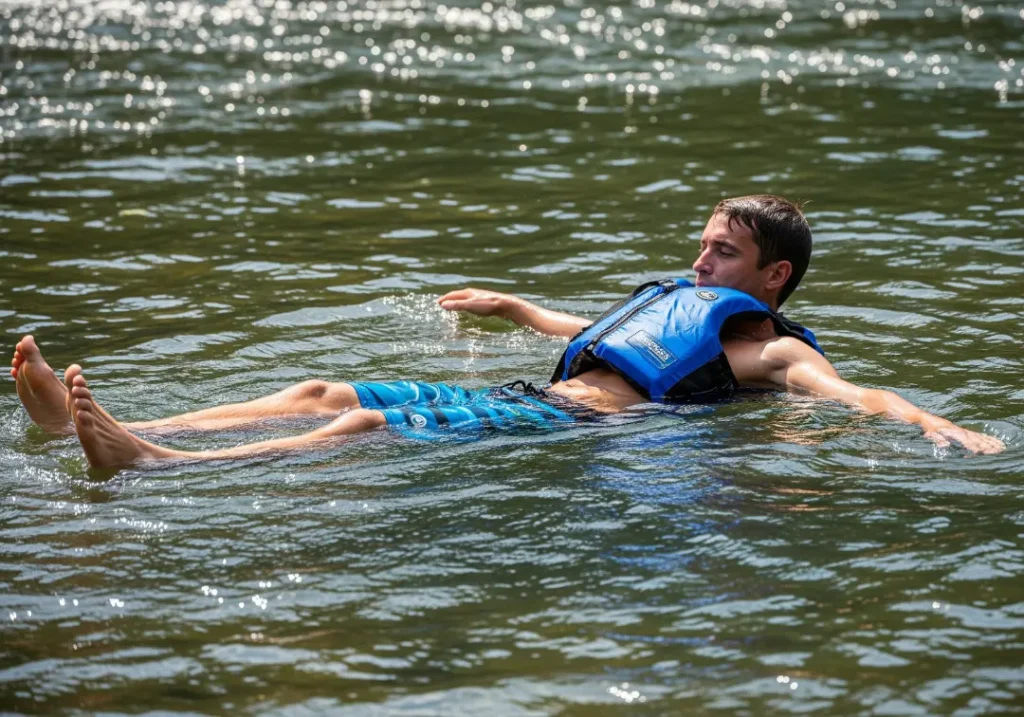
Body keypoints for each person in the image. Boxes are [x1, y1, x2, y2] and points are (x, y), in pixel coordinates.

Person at [9, 195, 1005, 469]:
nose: (699, 266)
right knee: (324, 390)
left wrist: (934, 425)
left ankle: (158, 464)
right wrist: (515, 308)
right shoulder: (678, 304)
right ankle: (77, 428)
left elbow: (855, 396)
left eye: (721, 258)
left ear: (771, 278)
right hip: (529, 397)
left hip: (573, 429)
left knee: (360, 433)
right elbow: (598, 329)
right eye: (700, 249)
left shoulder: (773, 349)